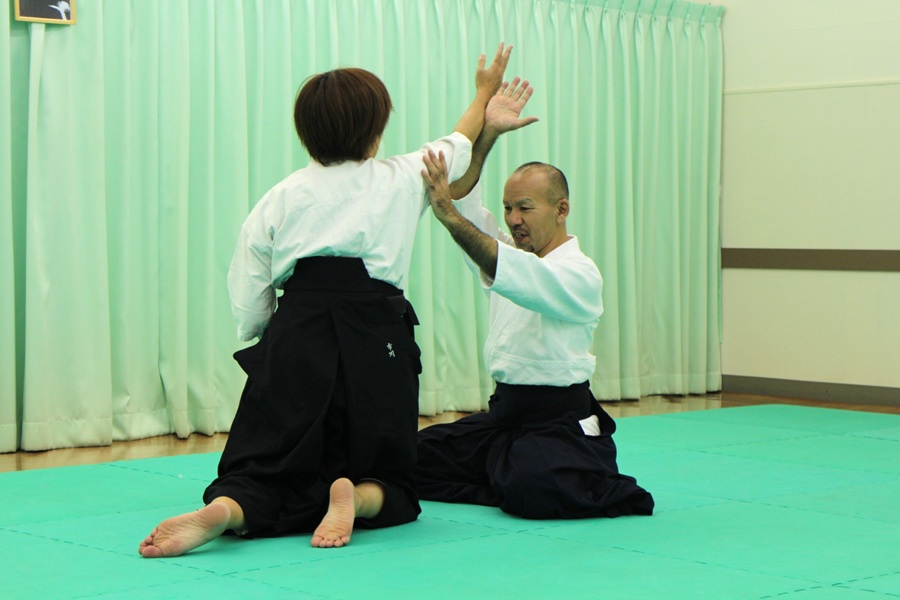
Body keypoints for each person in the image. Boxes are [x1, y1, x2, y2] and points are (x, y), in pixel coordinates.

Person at [138, 43, 516, 558]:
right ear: (376, 129)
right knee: (394, 481)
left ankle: (228, 509)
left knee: (264, 466)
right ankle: (355, 498)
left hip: (297, 333)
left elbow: (250, 299)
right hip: (376, 335)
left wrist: (276, 338)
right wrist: (483, 93)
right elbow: (459, 140)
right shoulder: (401, 176)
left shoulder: (282, 195)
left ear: (305, 131)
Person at [416, 84, 655, 519]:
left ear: (561, 209)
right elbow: (467, 204)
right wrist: (487, 134)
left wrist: (447, 215)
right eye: (508, 208)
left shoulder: (578, 274)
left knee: (532, 492)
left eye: (524, 208)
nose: (513, 219)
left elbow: (508, 264)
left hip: (557, 422)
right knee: (406, 458)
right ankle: (500, 473)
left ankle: (530, 473)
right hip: (504, 417)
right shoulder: (511, 256)